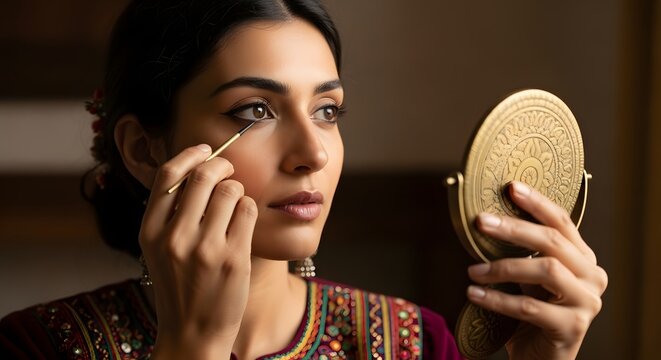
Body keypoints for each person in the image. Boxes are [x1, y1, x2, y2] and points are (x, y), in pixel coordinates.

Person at [0, 0, 607, 359]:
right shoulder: (36, 346)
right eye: (255, 111)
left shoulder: (414, 343)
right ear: (144, 149)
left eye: (328, 111)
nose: (312, 152)